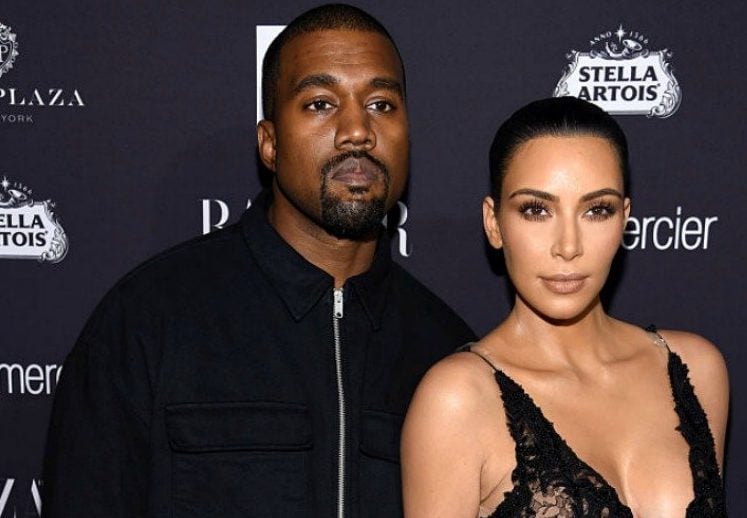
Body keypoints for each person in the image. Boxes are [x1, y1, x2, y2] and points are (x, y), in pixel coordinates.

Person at [42, 4, 474, 517]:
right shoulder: (146, 322)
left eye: (381, 104)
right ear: (269, 144)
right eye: (319, 103)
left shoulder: (446, 352)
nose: (357, 130)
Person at [401, 97, 728, 517]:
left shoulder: (698, 369)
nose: (568, 246)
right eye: (536, 210)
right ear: (494, 223)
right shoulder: (457, 401)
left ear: (624, 219)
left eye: (597, 210)